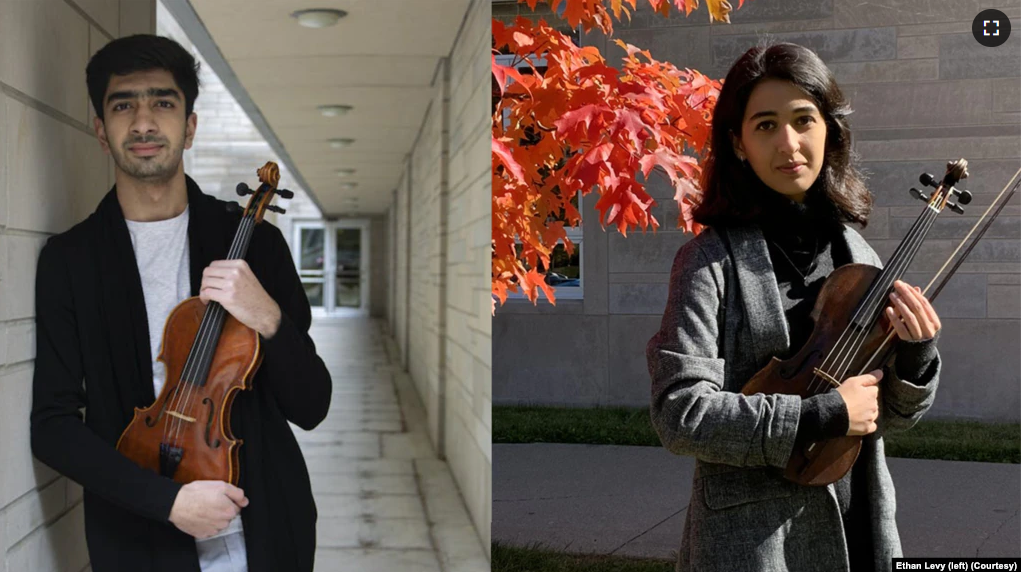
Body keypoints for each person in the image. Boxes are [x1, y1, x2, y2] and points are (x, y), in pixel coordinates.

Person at [30, 34, 333, 572]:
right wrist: (168, 502)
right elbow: (52, 425)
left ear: (190, 127)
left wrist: (266, 316)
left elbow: (311, 406)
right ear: (101, 130)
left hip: (267, 530)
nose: (143, 123)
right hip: (139, 539)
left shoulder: (253, 242)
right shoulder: (70, 260)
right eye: (123, 105)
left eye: (162, 103)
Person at [646, 42, 941, 572]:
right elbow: (680, 414)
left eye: (804, 120)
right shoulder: (708, 262)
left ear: (830, 129)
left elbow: (884, 418)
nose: (789, 144)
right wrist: (820, 414)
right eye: (765, 125)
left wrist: (917, 357)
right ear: (738, 144)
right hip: (750, 541)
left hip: (859, 526)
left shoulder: (860, 254)